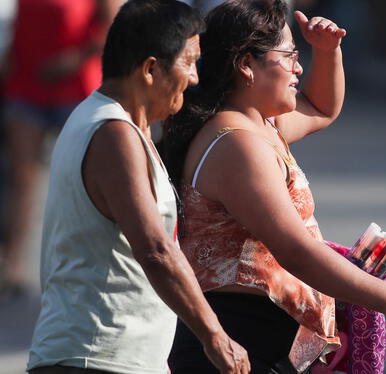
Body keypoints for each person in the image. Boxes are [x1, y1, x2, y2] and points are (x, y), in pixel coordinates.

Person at [162, 1, 386, 373]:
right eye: (289, 55)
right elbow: (295, 250)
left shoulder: (261, 125)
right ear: (246, 65)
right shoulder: (235, 144)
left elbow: (322, 108)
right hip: (238, 338)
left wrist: (327, 51)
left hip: (263, 340)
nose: (298, 67)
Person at [27, 1, 251, 373]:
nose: (194, 77)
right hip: (97, 357)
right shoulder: (113, 133)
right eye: (188, 61)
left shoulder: (112, 124)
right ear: (149, 69)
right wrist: (216, 337)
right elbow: (156, 250)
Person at [0, 0, 120, 298]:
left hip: (75, 87)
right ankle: (12, 266)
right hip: (26, 86)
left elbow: (114, 29)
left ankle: (85, 266)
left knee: (78, 180)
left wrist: (73, 59)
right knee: (21, 181)